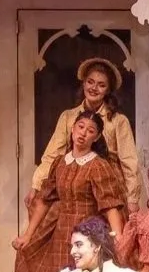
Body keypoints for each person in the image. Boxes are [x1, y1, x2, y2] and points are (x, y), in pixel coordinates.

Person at [12, 109, 130, 272]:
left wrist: (119, 239)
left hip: (89, 236)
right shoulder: (60, 162)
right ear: (73, 129)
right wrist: (28, 234)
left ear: (96, 137)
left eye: (91, 131)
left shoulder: (98, 165)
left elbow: (111, 206)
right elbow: (44, 200)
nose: (83, 134)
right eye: (80, 127)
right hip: (61, 234)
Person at [33, 58, 142, 209]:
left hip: (107, 184)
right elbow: (52, 155)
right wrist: (37, 185)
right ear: (84, 83)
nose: (94, 88)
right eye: (90, 82)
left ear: (108, 90)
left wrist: (132, 199)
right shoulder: (68, 117)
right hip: (73, 182)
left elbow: (129, 162)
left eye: (101, 85)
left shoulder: (118, 121)